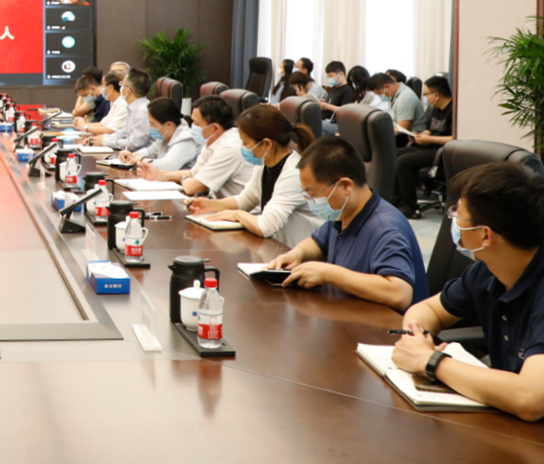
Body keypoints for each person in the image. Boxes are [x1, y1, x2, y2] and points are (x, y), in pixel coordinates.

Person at [392, 162, 544, 425]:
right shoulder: (489, 271)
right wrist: (417, 339)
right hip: (512, 425)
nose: (454, 221)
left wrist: (430, 361)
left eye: (458, 215)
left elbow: (532, 398)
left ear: (486, 235)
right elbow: (428, 310)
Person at [266, 136, 429, 311]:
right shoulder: (344, 213)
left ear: (345, 185)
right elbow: (317, 243)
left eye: (314, 195)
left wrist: (328, 273)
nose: (311, 201)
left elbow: (399, 294)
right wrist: (297, 254)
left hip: (388, 325)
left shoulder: (385, 227)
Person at [186, 104, 321, 248]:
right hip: (277, 247)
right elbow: (245, 201)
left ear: (267, 144)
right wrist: (210, 205)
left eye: (245, 142)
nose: (242, 147)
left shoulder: (294, 174)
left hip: (297, 253)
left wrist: (237, 215)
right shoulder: (264, 165)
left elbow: (265, 227)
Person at [135, 94, 254, 198]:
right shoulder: (211, 141)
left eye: (196, 123)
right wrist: (159, 175)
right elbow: (193, 173)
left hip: (241, 212)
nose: (192, 127)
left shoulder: (229, 148)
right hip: (221, 206)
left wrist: (185, 179)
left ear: (214, 128)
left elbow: (192, 187)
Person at [391, 75, 455, 219]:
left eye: (426, 94)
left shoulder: (454, 110)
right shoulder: (435, 109)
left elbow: (455, 138)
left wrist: (429, 139)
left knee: (403, 162)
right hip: (429, 146)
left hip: (441, 151)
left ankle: (410, 207)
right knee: (393, 154)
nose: (425, 98)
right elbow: (431, 130)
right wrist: (419, 136)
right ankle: (396, 201)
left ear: (436, 95)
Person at [119, 98, 200, 172]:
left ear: (168, 125)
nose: (150, 127)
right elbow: (150, 151)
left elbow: (166, 166)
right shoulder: (166, 134)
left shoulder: (186, 139)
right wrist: (133, 156)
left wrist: (141, 160)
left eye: (152, 124)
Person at [102, 69, 151, 152]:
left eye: (122, 84)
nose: (120, 87)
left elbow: (134, 144)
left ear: (127, 91)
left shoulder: (142, 111)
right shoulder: (132, 107)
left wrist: (107, 141)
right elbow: (123, 133)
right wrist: (105, 138)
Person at [371, 71, 428, 138]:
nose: (380, 97)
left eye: (379, 94)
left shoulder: (405, 98)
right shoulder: (393, 95)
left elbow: (401, 129)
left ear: (388, 87)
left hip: (407, 138)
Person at [77, 70, 126, 135]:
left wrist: (85, 126)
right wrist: (85, 124)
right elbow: (103, 124)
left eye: (103, 85)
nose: (101, 88)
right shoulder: (114, 103)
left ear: (110, 87)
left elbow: (110, 130)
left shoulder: (123, 104)